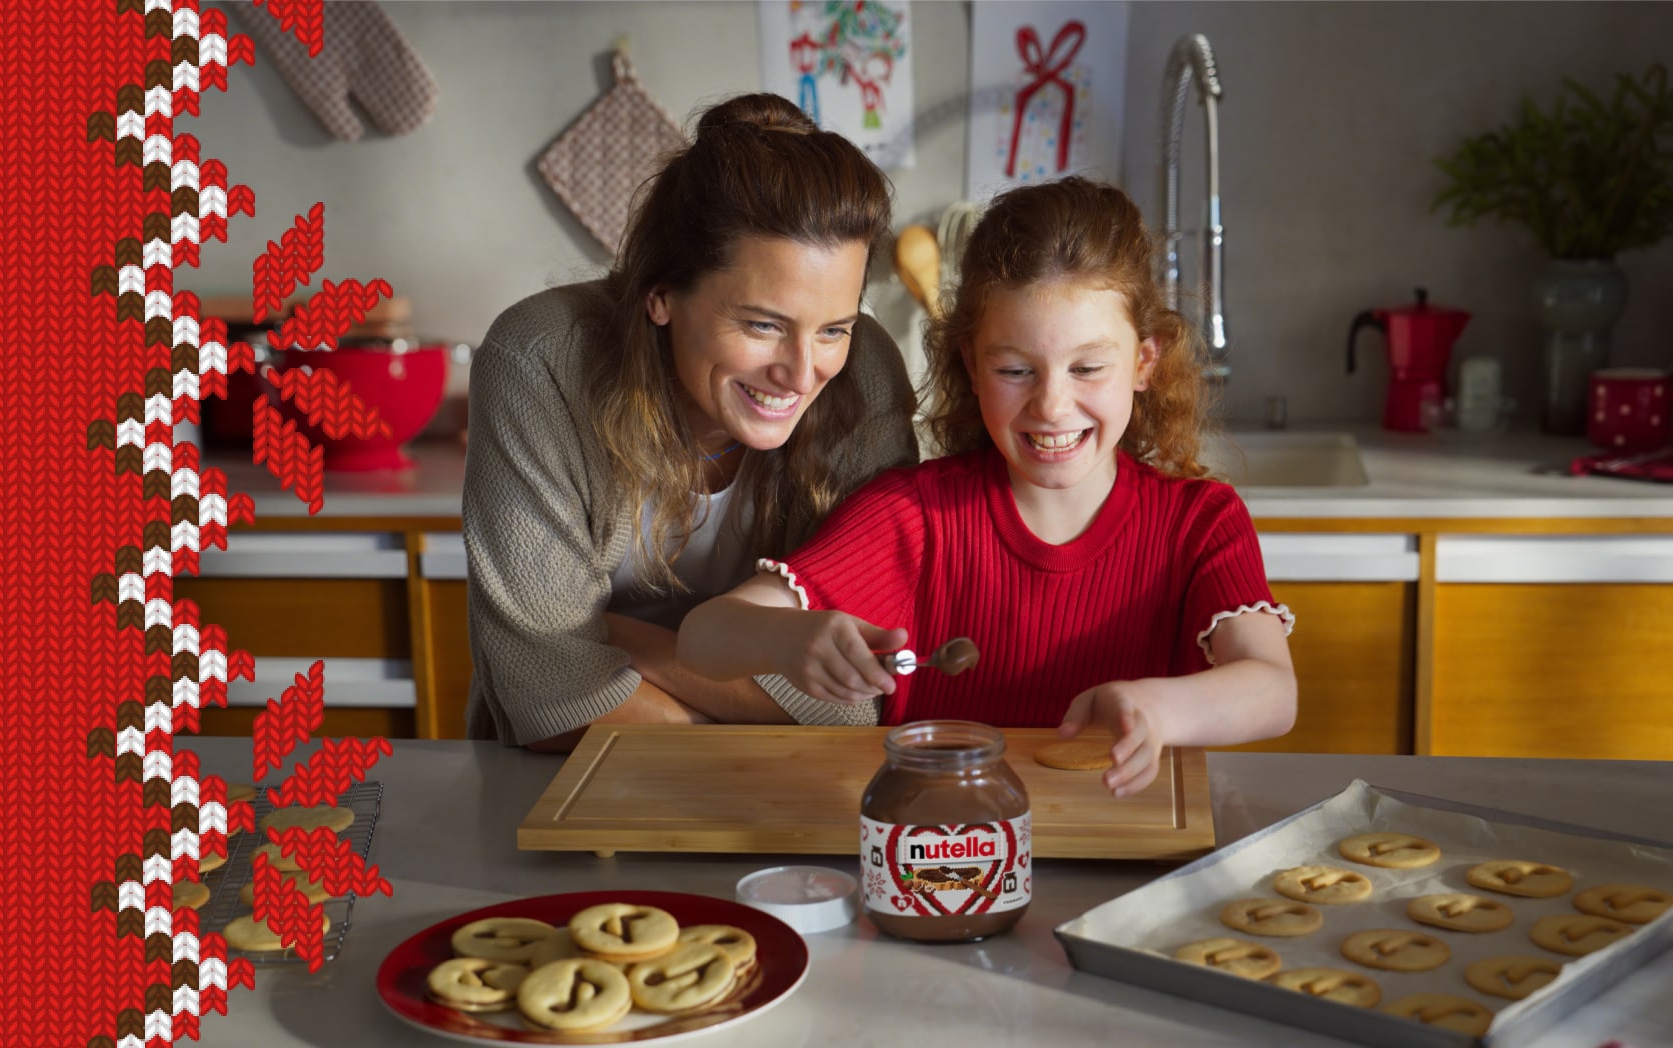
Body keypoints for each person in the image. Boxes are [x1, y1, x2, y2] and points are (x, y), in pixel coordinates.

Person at [672, 176, 1297, 796]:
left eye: (1087, 367)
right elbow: (706, 635)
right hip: (944, 850)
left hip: (1134, 852)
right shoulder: (913, 517)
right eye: (1015, 369)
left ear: (1144, 361)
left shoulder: (1200, 522)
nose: (1051, 405)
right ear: (971, 365)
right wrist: (789, 638)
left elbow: (1272, 691)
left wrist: (1158, 710)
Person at [463, 93, 919, 753]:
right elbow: (548, 698)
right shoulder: (539, 362)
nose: (800, 372)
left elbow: (855, 707)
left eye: (833, 329)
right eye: (763, 325)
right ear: (662, 295)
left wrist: (616, 636)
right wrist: (748, 707)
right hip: (555, 791)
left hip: (781, 797)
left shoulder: (866, 371)